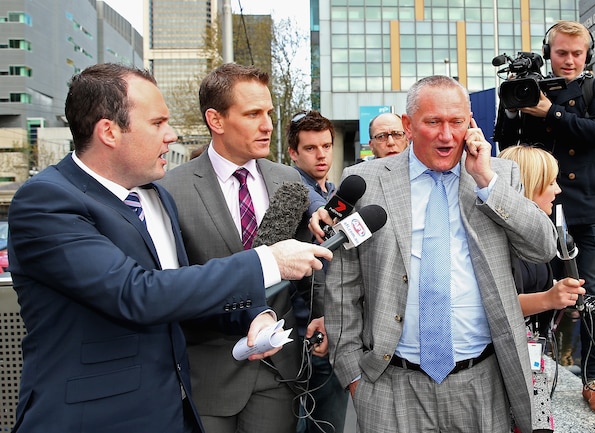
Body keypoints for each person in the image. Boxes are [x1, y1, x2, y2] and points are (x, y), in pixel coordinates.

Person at [7, 63, 331, 433]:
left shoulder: (154, 196)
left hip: (173, 410)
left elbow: (180, 292)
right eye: (158, 123)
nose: (171, 135)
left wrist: (250, 315)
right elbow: (135, 293)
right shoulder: (46, 202)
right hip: (91, 418)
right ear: (109, 131)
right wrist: (266, 262)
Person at [312, 75, 557, 433]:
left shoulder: (499, 174)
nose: (447, 135)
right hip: (389, 383)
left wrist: (486, 181)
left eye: (457, 122)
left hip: (482, 382)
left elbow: (542, 248)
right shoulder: (365, 180)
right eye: (433, 122)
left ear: (471, 123)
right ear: (408, 126)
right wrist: (353, 374)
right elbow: (343, 286)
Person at [160, 63, 320, 433]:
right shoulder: (171, 190)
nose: (268, 125)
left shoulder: (287, 179)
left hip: (279, 373)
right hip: (208, 373)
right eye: (253, 114)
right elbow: (169, 285)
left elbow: (307, 262)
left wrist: (321, 314)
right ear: (216, 119)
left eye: (269, 113)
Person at [493, 20, 595, 416]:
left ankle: (593, 381)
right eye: (561, 52)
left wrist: (552, 112)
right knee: (539, 292)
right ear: (549, 53)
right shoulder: (529, 88)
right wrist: (513, 108)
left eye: (576, 53)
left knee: (592, 295)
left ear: (587, 55)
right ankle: (530, 371)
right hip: (539, 208)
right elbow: (505, 141)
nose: (568, 60)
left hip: (588, 209)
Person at [499, 145, 587, 433]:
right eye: (550, 182)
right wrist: (549, 297)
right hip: (507, 369)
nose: (558, 190)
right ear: (527, 186)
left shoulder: (535, 238)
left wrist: (556, 291)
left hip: (532, 361)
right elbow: (497, 305)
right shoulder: (499, 240)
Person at [286, 110, 349, 433]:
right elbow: (304, 195)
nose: (321, 154)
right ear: (293, 153)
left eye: (326, 145)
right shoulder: (290, 189)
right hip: (307, 329)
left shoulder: (336, 192)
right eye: (310, 148)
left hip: (338, 325)